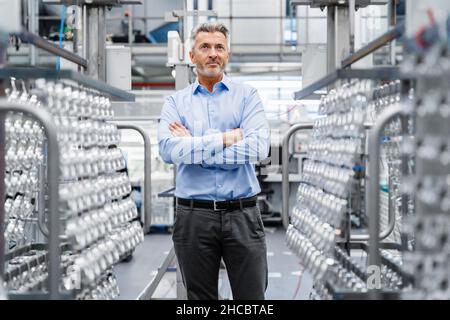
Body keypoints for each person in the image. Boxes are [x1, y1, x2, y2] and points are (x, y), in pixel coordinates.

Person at [158, 22, 270, 300]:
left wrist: (196, 146)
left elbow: (258, 148)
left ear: (227, 54)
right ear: (191, 55)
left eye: (219, 47)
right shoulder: (175, 102)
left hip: (242, 214)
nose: (213, 53)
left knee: (252, 299)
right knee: (199, 301)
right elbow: (170, 151)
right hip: (194, 216)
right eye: (205, 47)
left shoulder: (247, 96)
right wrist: (223, 139)